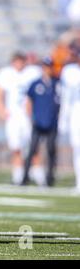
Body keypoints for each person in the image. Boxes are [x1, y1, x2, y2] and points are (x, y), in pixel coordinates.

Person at [0, 52, 42, 185]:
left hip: (29, 116)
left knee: (33, 146)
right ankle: (18, 176)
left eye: (21, 61)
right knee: (16, 147)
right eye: (16, 61)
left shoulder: (33, 72)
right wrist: (2, 111)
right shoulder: (6, 73)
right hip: (14, 116)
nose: (19, 64)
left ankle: (38, 175)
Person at [21, 58, 61, 186]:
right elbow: (28, 101)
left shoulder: (57, 83)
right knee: (32, 150)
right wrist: (30, 117)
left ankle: (50, 179)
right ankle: (24, 178)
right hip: (38, 122)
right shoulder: (36, 83)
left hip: (52, 122)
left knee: (51, 151)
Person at [59, 42, 80, 193]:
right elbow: (67, 96)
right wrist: (64, 118)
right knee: (77, 148)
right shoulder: (69, 71)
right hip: (75, 113)